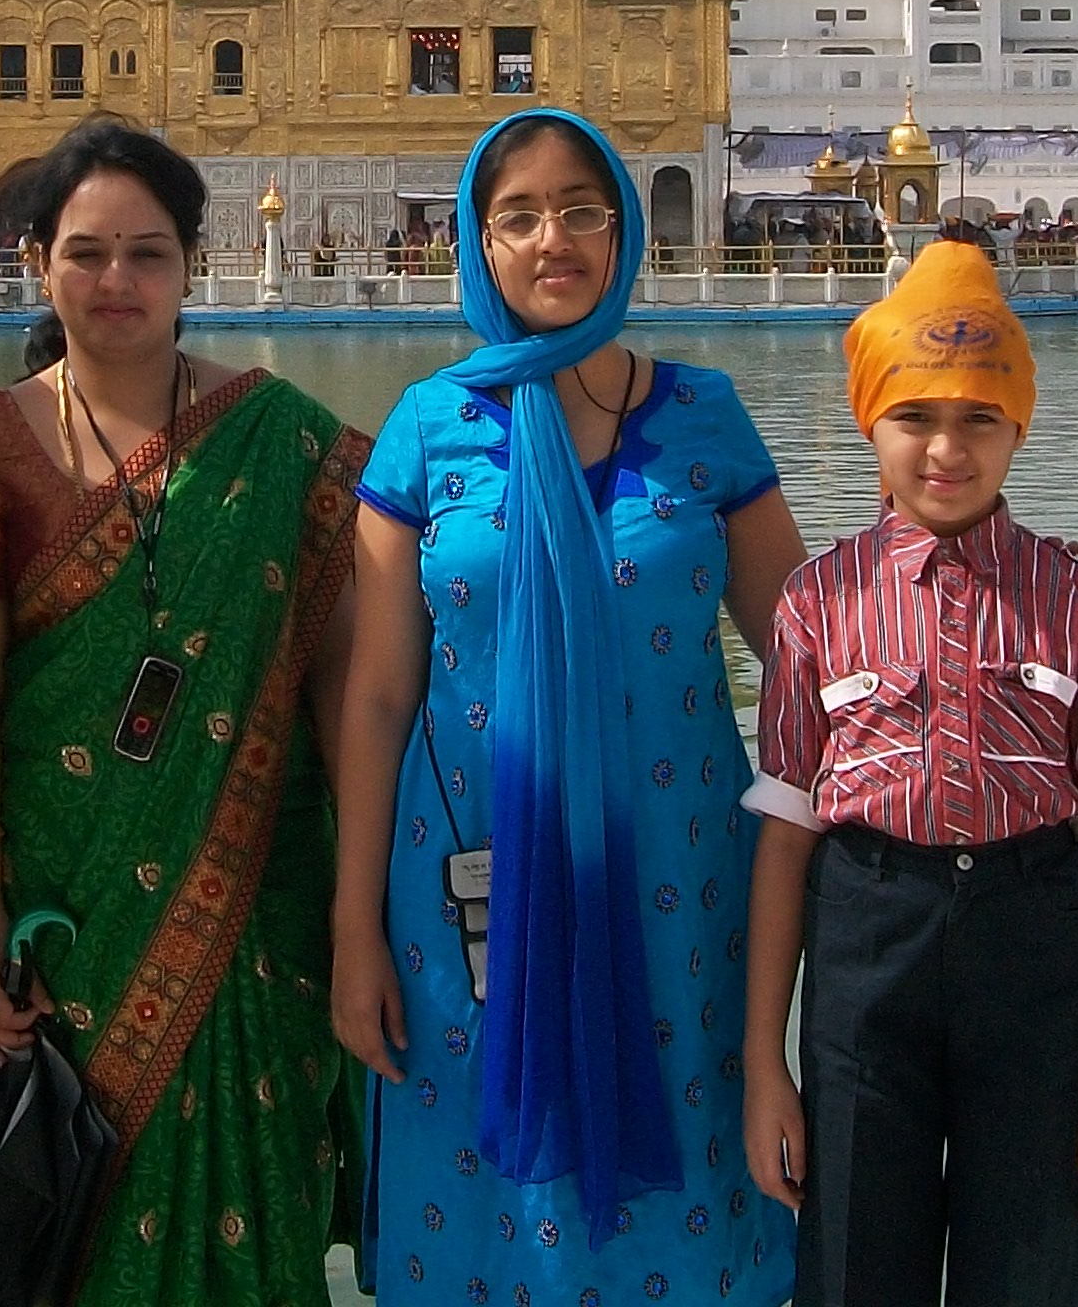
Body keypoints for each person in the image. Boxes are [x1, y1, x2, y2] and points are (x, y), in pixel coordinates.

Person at [333, 108, 810, 1303]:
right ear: (477, 243)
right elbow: (380, 698)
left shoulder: (700, 418)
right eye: (520, 215)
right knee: (487, 1201)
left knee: (692, 1183)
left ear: (625, 228)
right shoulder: (429, 432)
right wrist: (352, 932)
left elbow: (812, 661)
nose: (556, 239)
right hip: (463, 900)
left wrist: (986, 574)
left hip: (680, 889)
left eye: (583, 210)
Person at [0, 117, 369, 1304]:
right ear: (37, 263)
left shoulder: (280, 439)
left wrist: (357, 917)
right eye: (86, 253)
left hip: (258, 915)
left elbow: (348, 687)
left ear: (195, 262)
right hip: (67, 919)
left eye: (148, 253)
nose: (116, 281)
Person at [742, 241, 1078, 1307]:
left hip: (1030, 948)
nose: (945, 448)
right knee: (851, 1268)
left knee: (1028, 1268)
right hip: (866, 947)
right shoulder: (816, 604)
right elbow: (787, 840)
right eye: (915, 417)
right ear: (869, 422)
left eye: (979, 417)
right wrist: (765, 1070)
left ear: (1019, 424)